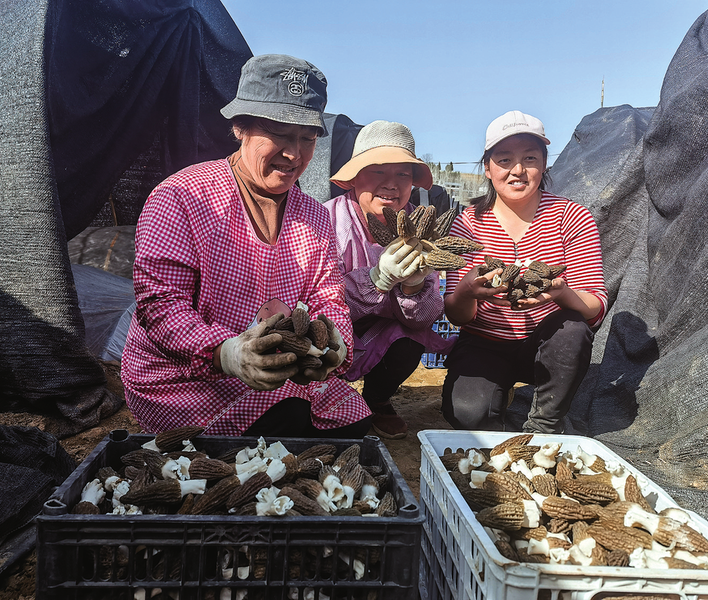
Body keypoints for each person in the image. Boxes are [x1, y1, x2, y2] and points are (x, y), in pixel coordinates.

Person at [120, 54, 372, 438]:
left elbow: (327, 298)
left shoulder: (315, 217)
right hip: (184, 378)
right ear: (240, 127)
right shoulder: (182, 197)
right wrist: (228, 354)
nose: (294, 154)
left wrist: (333, 341)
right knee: (286, 423)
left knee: (356, 424)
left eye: (307, 138)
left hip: (277, 366)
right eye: (280, 133)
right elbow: (161, 306)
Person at [442, 110, 608, 434]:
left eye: (529, 158)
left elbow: (596, 305)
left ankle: (544, 424)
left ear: (544, 164)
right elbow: (457, 315)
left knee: (573, 330)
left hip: (549, 342)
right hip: (485, 341)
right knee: (468, 416)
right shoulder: (468, 224)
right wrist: (466, 291)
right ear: (487, 168)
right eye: (504, 160)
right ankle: (493, 402)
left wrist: (561, 292)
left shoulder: (571, 217)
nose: (517, 170)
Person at [324, 120, 455, 439]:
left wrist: (413, 286)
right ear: (354, 177)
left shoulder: (420, 229)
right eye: (378, 171)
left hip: (386, 329)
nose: (391, 184)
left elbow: (424, 317)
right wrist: (378, 279)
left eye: (402, 174)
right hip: (334, 329)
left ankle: (378, 398)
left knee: (411, 338)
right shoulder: (325, 221)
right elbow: (321, 305)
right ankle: (324, 390)